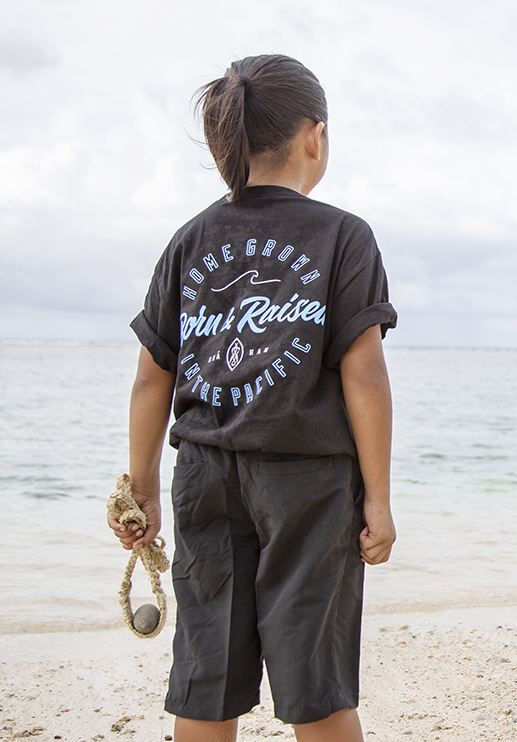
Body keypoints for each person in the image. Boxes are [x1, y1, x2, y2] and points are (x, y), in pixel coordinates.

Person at [108, 54, 396, 742]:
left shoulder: (192, 239)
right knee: (314, 679)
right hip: (311, 481)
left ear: (223, 147)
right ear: (314, 136)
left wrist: (141, 486)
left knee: (207, 683)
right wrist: (379, 498)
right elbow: (364, 373)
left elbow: (154, 376)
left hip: (204, 472)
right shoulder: (342, 236)